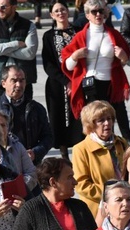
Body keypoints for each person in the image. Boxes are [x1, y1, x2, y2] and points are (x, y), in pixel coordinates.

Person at [61, 0, 130, 143]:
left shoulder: (113, 34)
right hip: (90, 86)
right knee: (94, 121)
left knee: (120, 118)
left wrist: (123, 58)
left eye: (101, 11)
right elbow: (67, 66)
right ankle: (93, 149)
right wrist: (75, 56)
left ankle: (127, 147)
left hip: (112, 85)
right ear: (87, 15)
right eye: (94, 12)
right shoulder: (80, 36)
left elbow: (124, 60)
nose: (98, 14)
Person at [42, 1, 84, 159]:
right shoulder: (49, 36)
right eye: (56, 11)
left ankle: (80, 154)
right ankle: (64, 155)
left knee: (79, 119)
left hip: (79, 81)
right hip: (57, 84)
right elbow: (48, 64)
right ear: (52, 15)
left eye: (63, 9)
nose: (61, 13)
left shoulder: (79, 32)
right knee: (58, 118)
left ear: (68, 11)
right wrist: (65, 82)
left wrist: (75, 82)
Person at [72, 100, 128, 217]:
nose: (107, 123)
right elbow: (81, 185)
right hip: (98, 212)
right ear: (90, 125)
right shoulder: (81, 149)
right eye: (101, 120)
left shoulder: (121, 143)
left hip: (124, 206)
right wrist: (112, 194)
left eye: (109, 119)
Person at [0, 66, 53, 165]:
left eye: (22, 80)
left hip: (28, 164)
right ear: (3, 83)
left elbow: (48, 137)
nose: (18, 85)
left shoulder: (36, 108)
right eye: (14, 80)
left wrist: (35, 153)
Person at [0, 0, 39, 99]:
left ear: (14, 7)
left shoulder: (28, 26)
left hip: (23, 82)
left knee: (24, 114)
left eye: (3, 7)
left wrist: (1, 50)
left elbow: (30, 53)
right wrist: (16, 44)